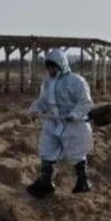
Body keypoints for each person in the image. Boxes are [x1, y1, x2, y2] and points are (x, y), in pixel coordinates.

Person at [27, 49, 94, 198]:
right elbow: (43, 101)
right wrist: (34, 110)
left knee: (76, 152)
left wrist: (74, 114)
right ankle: (45, 182)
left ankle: (83, 182)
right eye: (49, 67)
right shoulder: (47, 83)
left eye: (53, 66)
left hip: (74, 124)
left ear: (61, 65)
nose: (51, 70)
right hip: (53, 122)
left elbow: (85, 102)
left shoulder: (76, 81)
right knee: (46, 148)